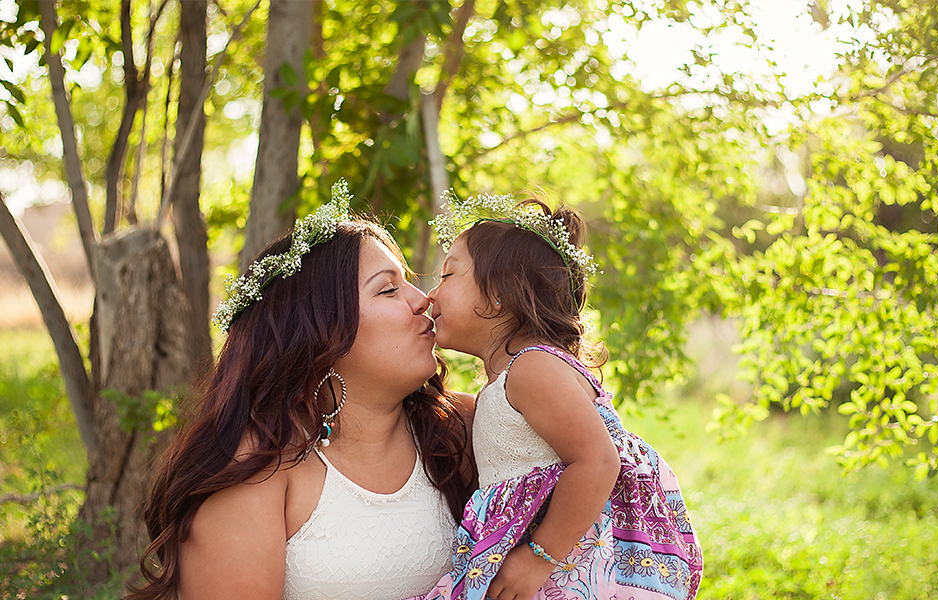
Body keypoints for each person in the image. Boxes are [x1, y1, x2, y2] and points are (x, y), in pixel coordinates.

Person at [125, 182, 475, 600]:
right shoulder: (253, 471)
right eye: (388, 288)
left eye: (410, 283)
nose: (424, 300)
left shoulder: (466, 428)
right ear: (320, 333)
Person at [421, 191, 703, 600]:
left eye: (447, 276)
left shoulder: (532, 369)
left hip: (569, 570)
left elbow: (598, 460)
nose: (431, 295)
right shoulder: (511, 381)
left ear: (499, 293)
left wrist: (538, 557)